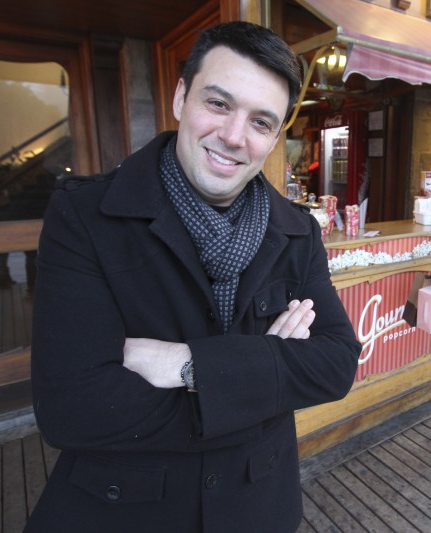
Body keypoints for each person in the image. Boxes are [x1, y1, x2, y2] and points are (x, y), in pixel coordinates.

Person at [25, 22, 361, 533]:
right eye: (219, 104)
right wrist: (265, 380)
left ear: (274, 139)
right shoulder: (85, 217)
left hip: (258, 508)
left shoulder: (296, 231)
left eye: (261, 122)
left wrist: (187, 366)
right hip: (125, 510)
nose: (233, 136)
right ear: (182, 96)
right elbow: (73, 408)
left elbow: (335, 365)